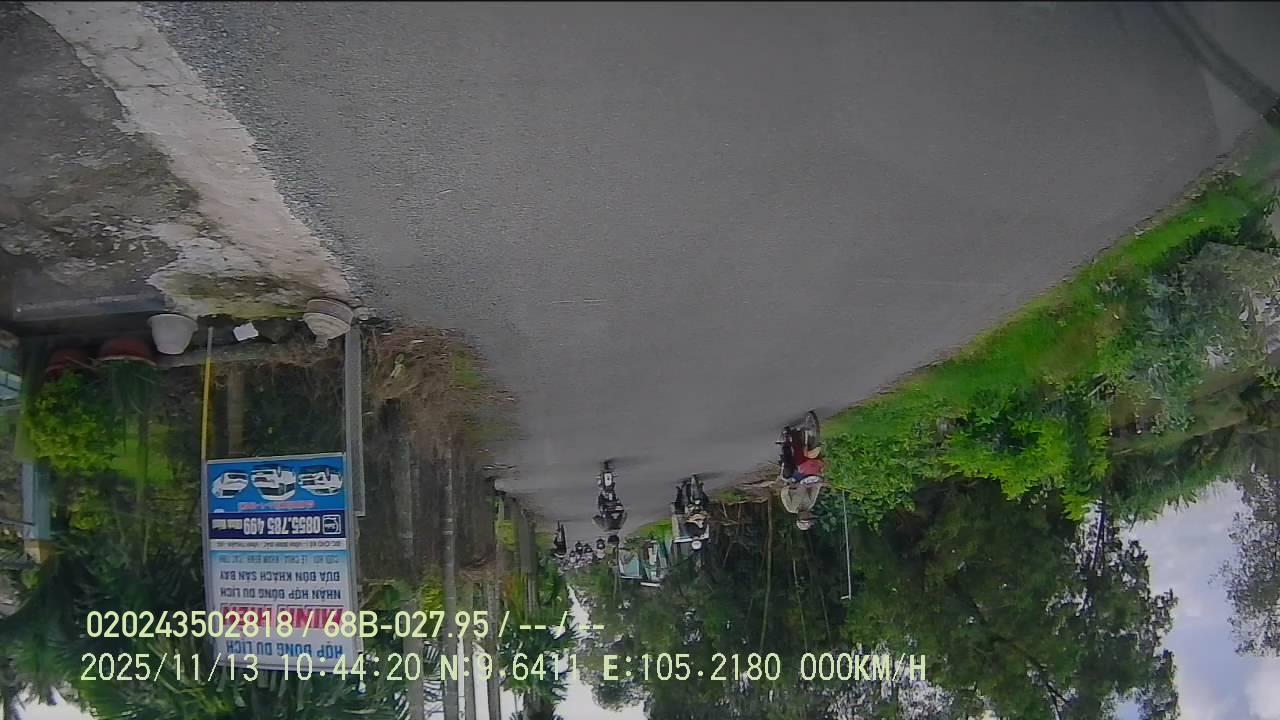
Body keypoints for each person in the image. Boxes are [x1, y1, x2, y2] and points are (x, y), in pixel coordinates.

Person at [780, 425, 825, 530]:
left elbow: (784, 493)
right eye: (809, 517)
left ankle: (787, 441)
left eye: (805, 518)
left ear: (799, 518)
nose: (807, 515)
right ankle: (813, 442)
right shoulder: (810, 504)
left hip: (793, 481)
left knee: (789, 467)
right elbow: (815, 490)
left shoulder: (791, 507)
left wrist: (792, 486)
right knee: (819, 467)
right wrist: (821, 484)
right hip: (806, 480)